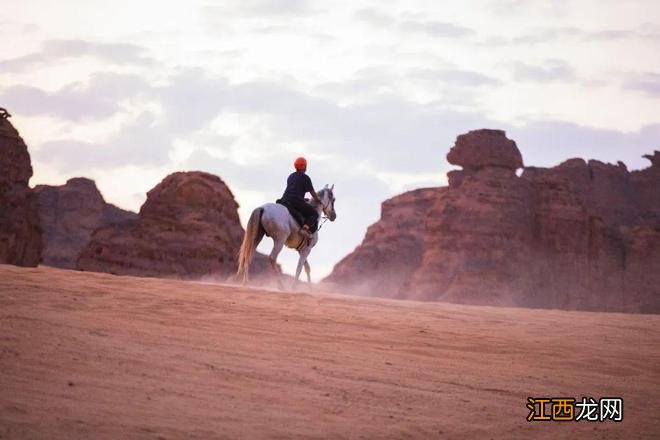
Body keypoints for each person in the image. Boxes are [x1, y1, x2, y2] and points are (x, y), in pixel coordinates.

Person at [280, 157, 321, 238]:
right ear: (304, 166)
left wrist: (303, 199)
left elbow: (293, 190)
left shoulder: (291, 176)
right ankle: (305, 229)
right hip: (295, 201)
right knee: (314, 214)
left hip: (284, 199)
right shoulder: (305, 177)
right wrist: (318, 199)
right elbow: (312, 193)